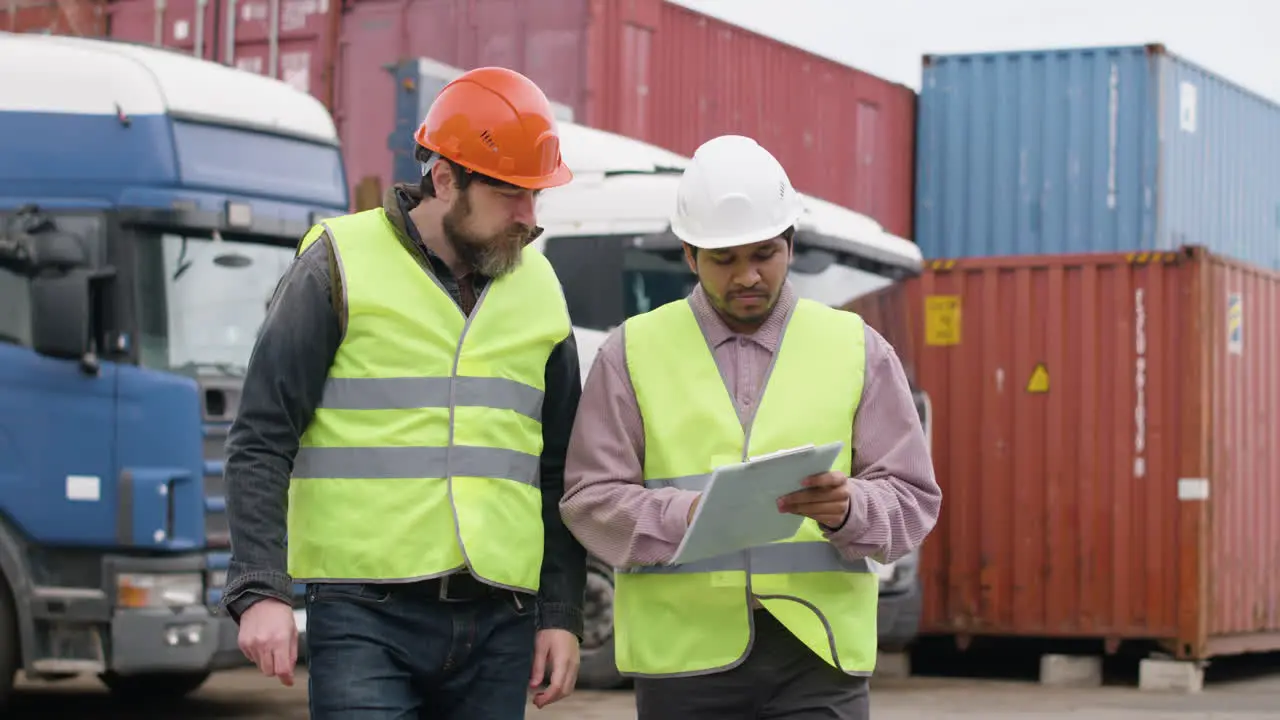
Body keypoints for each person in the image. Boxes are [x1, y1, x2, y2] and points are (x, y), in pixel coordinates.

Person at [221, 66, 587, 719]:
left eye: (537, 195)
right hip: (366, 615)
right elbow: (260, 438)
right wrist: (260, 588)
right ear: (445, 178)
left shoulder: (543, 290)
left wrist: (560, 613)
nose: (530, 220)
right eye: (510, 195)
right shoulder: (338, 263)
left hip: (501, 620)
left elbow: (559, 470)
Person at [559, 134, 942, 720]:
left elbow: (913, 500)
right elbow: (589, 500)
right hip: (682, 658)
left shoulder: (857, 350)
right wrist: (686, 516)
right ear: (689, 255)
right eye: (723, 259)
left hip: (817, 654)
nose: (747, 277)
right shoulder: (632, 353)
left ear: (790, 244)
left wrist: (849, 507)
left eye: (763, 253)